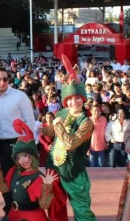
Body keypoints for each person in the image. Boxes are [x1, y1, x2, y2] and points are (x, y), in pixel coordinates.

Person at [42, 56, 96, 221]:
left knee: (82, 211)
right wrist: (37, 127)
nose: (74, 102)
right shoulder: (63, 113)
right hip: (55, 168)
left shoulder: (86, 123)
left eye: (77, 98)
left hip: (74, 172)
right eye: (70, 99)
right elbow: (51, 132)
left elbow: (70, 143)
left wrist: (57, 126)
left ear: (83, 99)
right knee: (55, 209)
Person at [0, 119, 58, 221]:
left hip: (32, 217)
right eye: (18, 158)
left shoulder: (38, 176)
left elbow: (44, 205)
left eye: (25, 156)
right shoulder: (15, 171)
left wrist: (47, 185)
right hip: (14, 214)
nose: (22, 160)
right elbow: (4, 189)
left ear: (32, 156)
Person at [0, 67, 35, 220]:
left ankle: (25, 210)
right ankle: (10, 209)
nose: (2, 82)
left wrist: (29, 144)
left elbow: (30, 121)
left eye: (5, 79)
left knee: (24, 178)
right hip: (1, 145)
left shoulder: (20, 96)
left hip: (20, 143)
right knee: (4, 179)